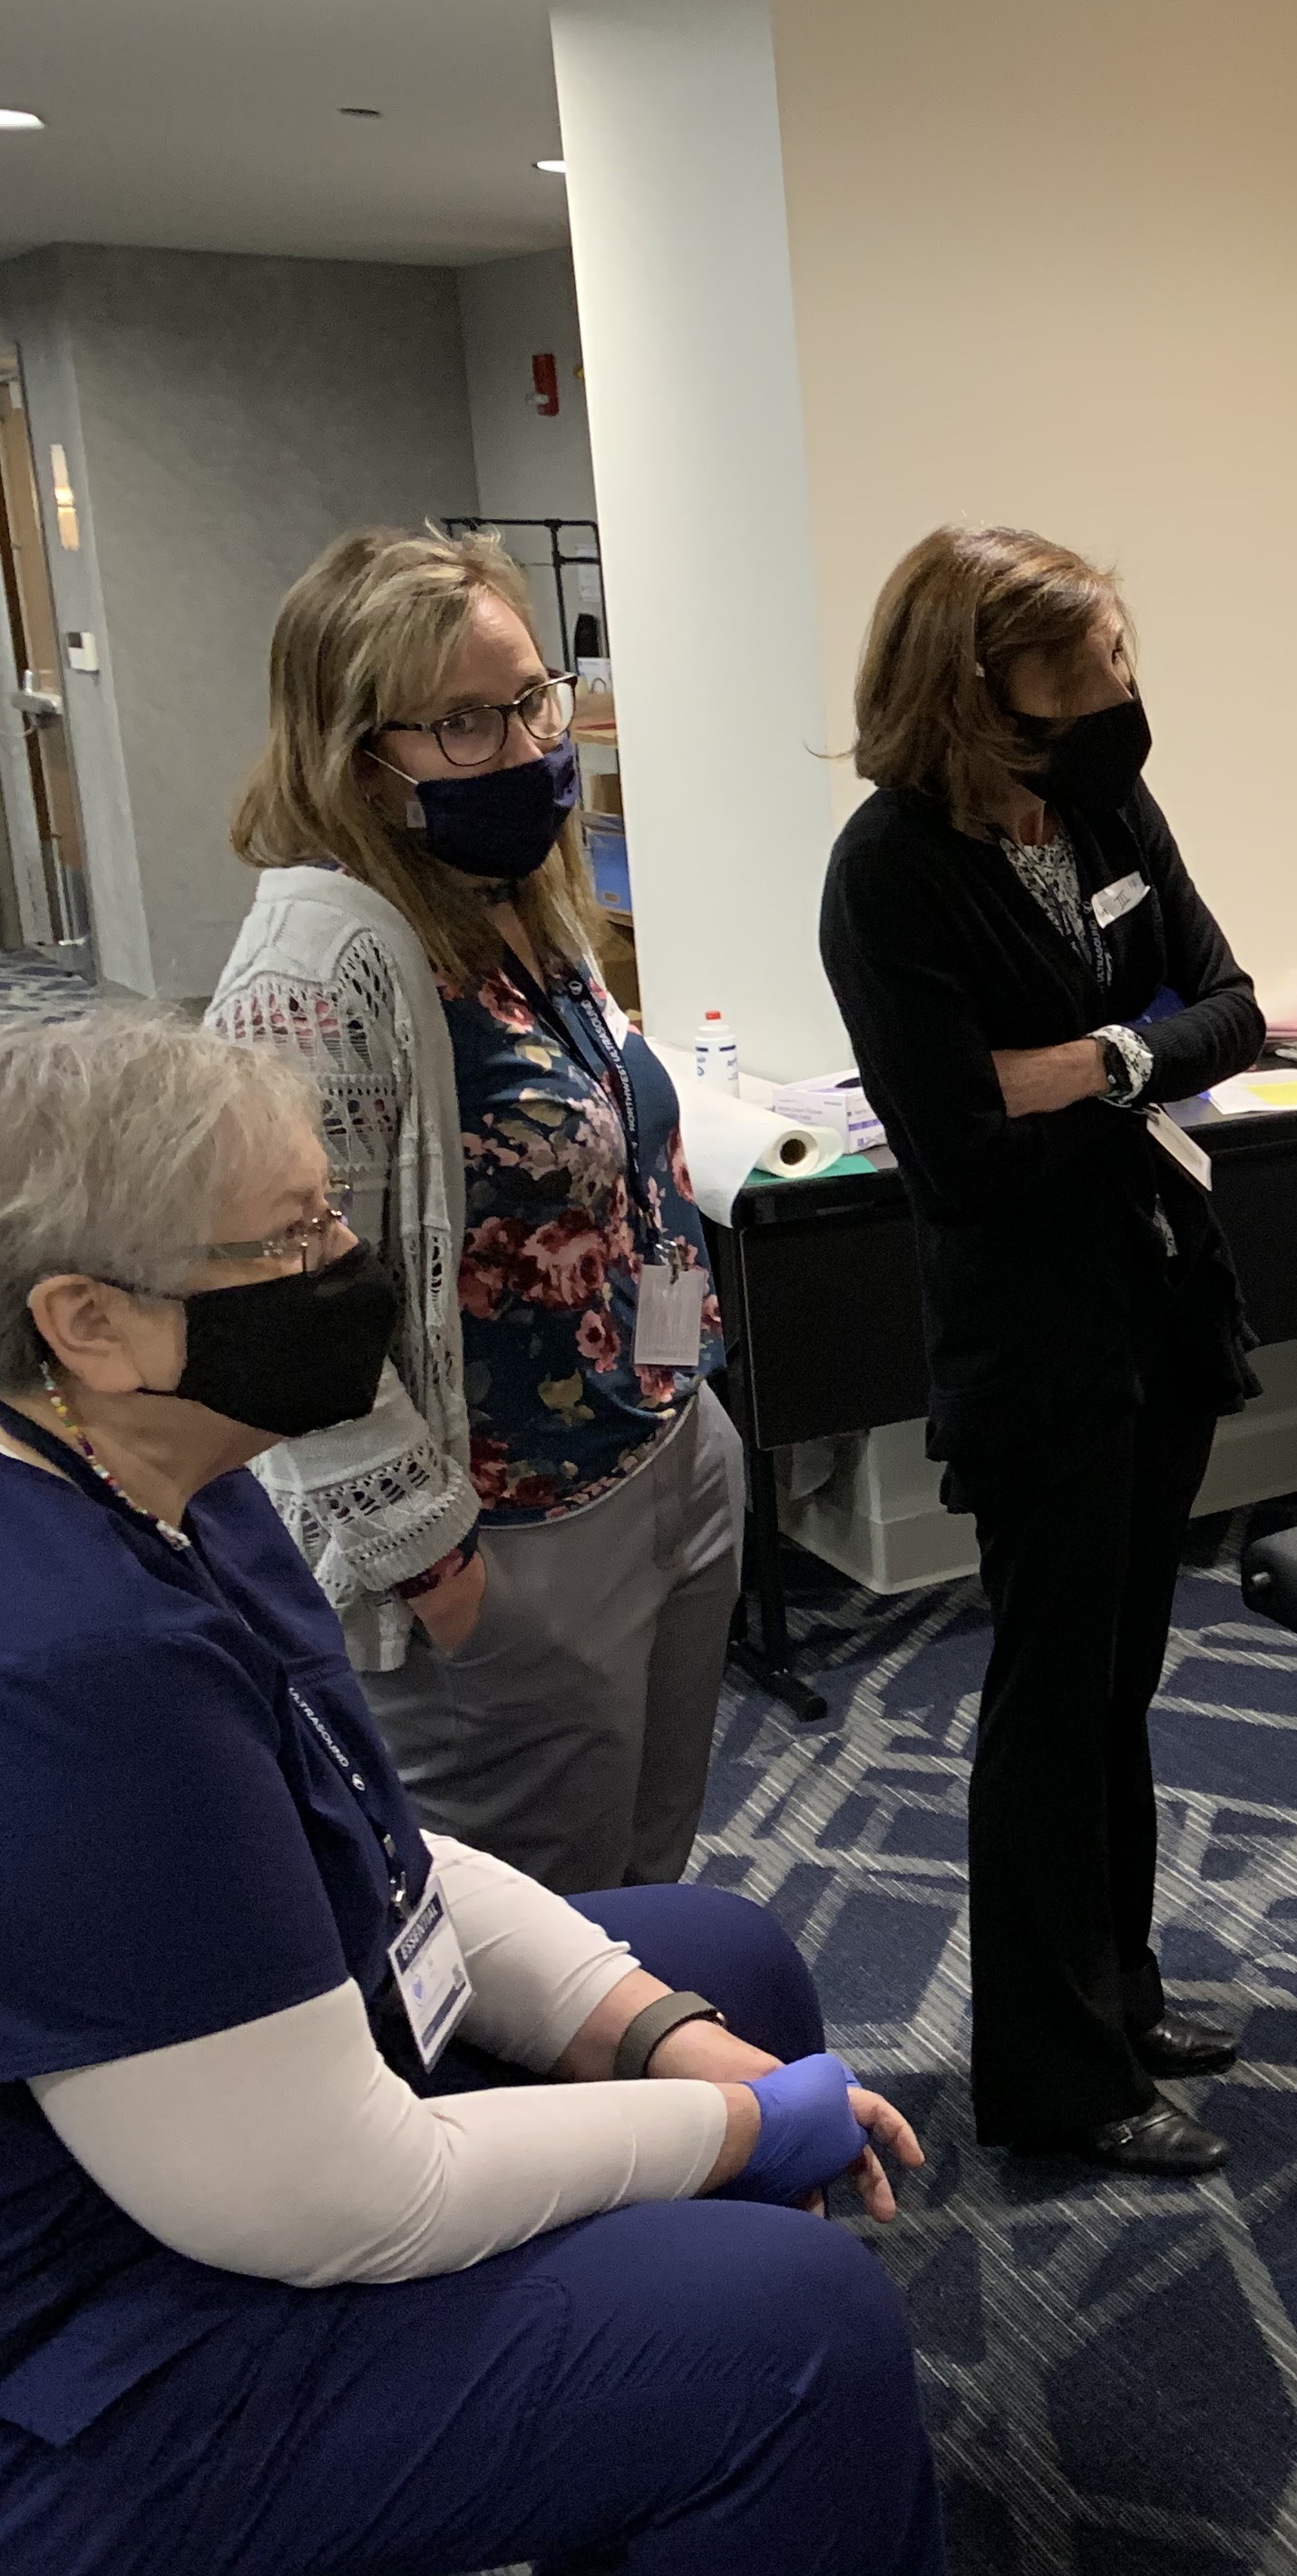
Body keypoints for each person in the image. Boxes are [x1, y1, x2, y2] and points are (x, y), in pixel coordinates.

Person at [0, 1010, 937, 2576]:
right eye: (291, 1236)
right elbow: (335, 2197)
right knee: (798, 2331)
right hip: (110, 2345)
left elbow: (370, 1834)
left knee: (722, 1960)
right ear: (88, 1321)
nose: (347, 1260)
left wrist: (657, 2035)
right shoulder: (73, 1669)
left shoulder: (168, 1477)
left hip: (228, 2133)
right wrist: (723, 2127)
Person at [818, 524, 1264, 2178]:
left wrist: (1086, 1061)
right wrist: (1130, 1062)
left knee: (1120, 1681)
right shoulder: (890, 870)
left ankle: (1120, 1991)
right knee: (1048, 1702)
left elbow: (1233, 1007)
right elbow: (959, 1154)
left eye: (1118, 665)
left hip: (1159, 1300)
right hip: (1035, 1345)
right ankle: (1054, 2074)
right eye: (1082, 676)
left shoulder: (1104, 811)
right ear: (973, 689)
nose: (1117, 700)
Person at [212, 527, 743, 1894]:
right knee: (548, 1929)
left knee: (649, 1875)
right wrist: (428, 1561)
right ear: (357, 756)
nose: (523, 749)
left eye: (530, 701)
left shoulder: (516, 896)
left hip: (664, 1451)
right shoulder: (316, 971)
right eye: (463, 723)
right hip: (509, 1530)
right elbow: (275, 1301)